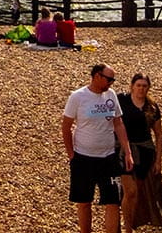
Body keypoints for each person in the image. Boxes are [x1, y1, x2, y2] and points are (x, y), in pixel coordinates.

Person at [62, 64, 133, 233]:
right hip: (83, 158)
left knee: (113, 201)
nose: (111, 83)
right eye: (109, 79)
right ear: (96, 76)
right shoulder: (78, 97)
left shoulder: (111, 95)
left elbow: (118, 123)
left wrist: (127, 151)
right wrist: (71, 154)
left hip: (108, 157)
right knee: (85, 201)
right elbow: (66, 127)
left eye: (113, 80)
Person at [118, 74, 162, 233]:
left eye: (144, 86)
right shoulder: (122, 100)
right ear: (132, 86)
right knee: (131, 191)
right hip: (124, 151)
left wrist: (158, 161)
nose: (141, 88)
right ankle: (127, 228)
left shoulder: (152, 107)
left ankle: (131, 222)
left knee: (138, 193)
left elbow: (159, 135)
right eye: (138, 85)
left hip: (145, 152)